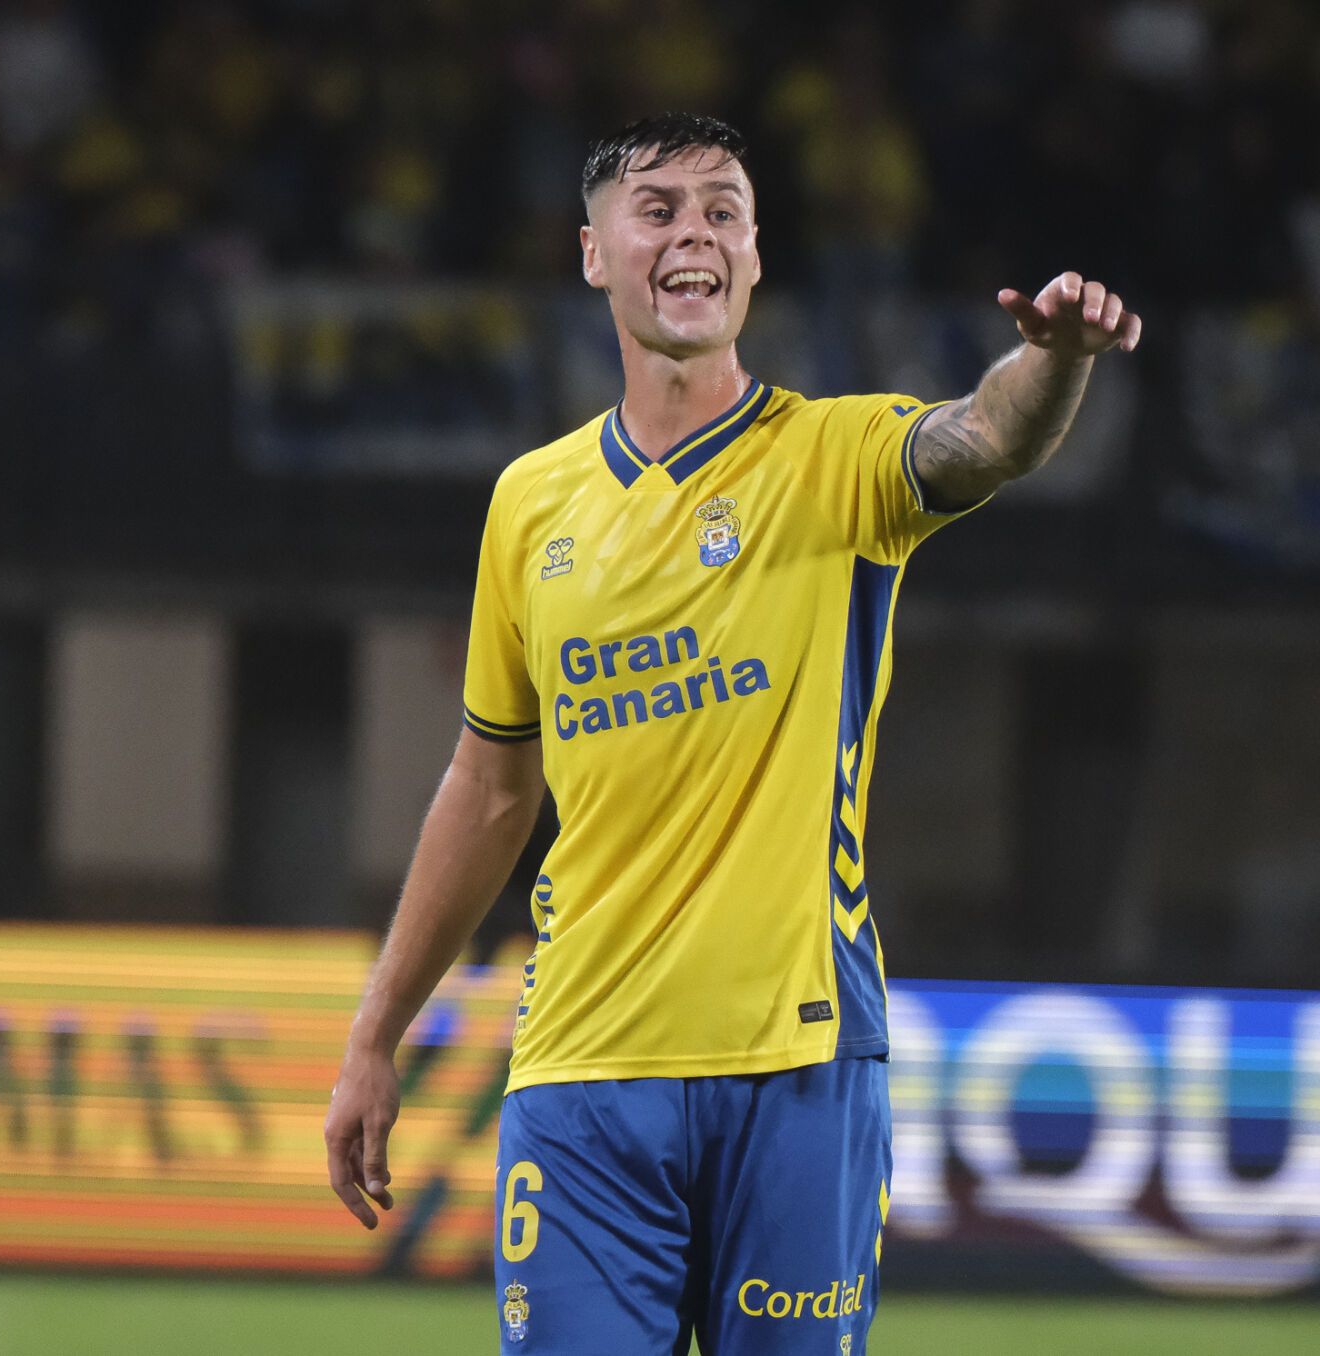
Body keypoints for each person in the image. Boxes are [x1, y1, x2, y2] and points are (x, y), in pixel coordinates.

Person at [322, 112, 1139, 1355]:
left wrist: (1058, 361)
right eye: (656, 208)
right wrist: (376, 1037)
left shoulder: (835, 457)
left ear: (754, 259)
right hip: (582, 1077)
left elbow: (982, 436)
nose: (692, 232)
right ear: (591, 252)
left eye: (721, 211)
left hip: (801, 1065)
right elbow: (490, 792)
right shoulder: (528, 505)